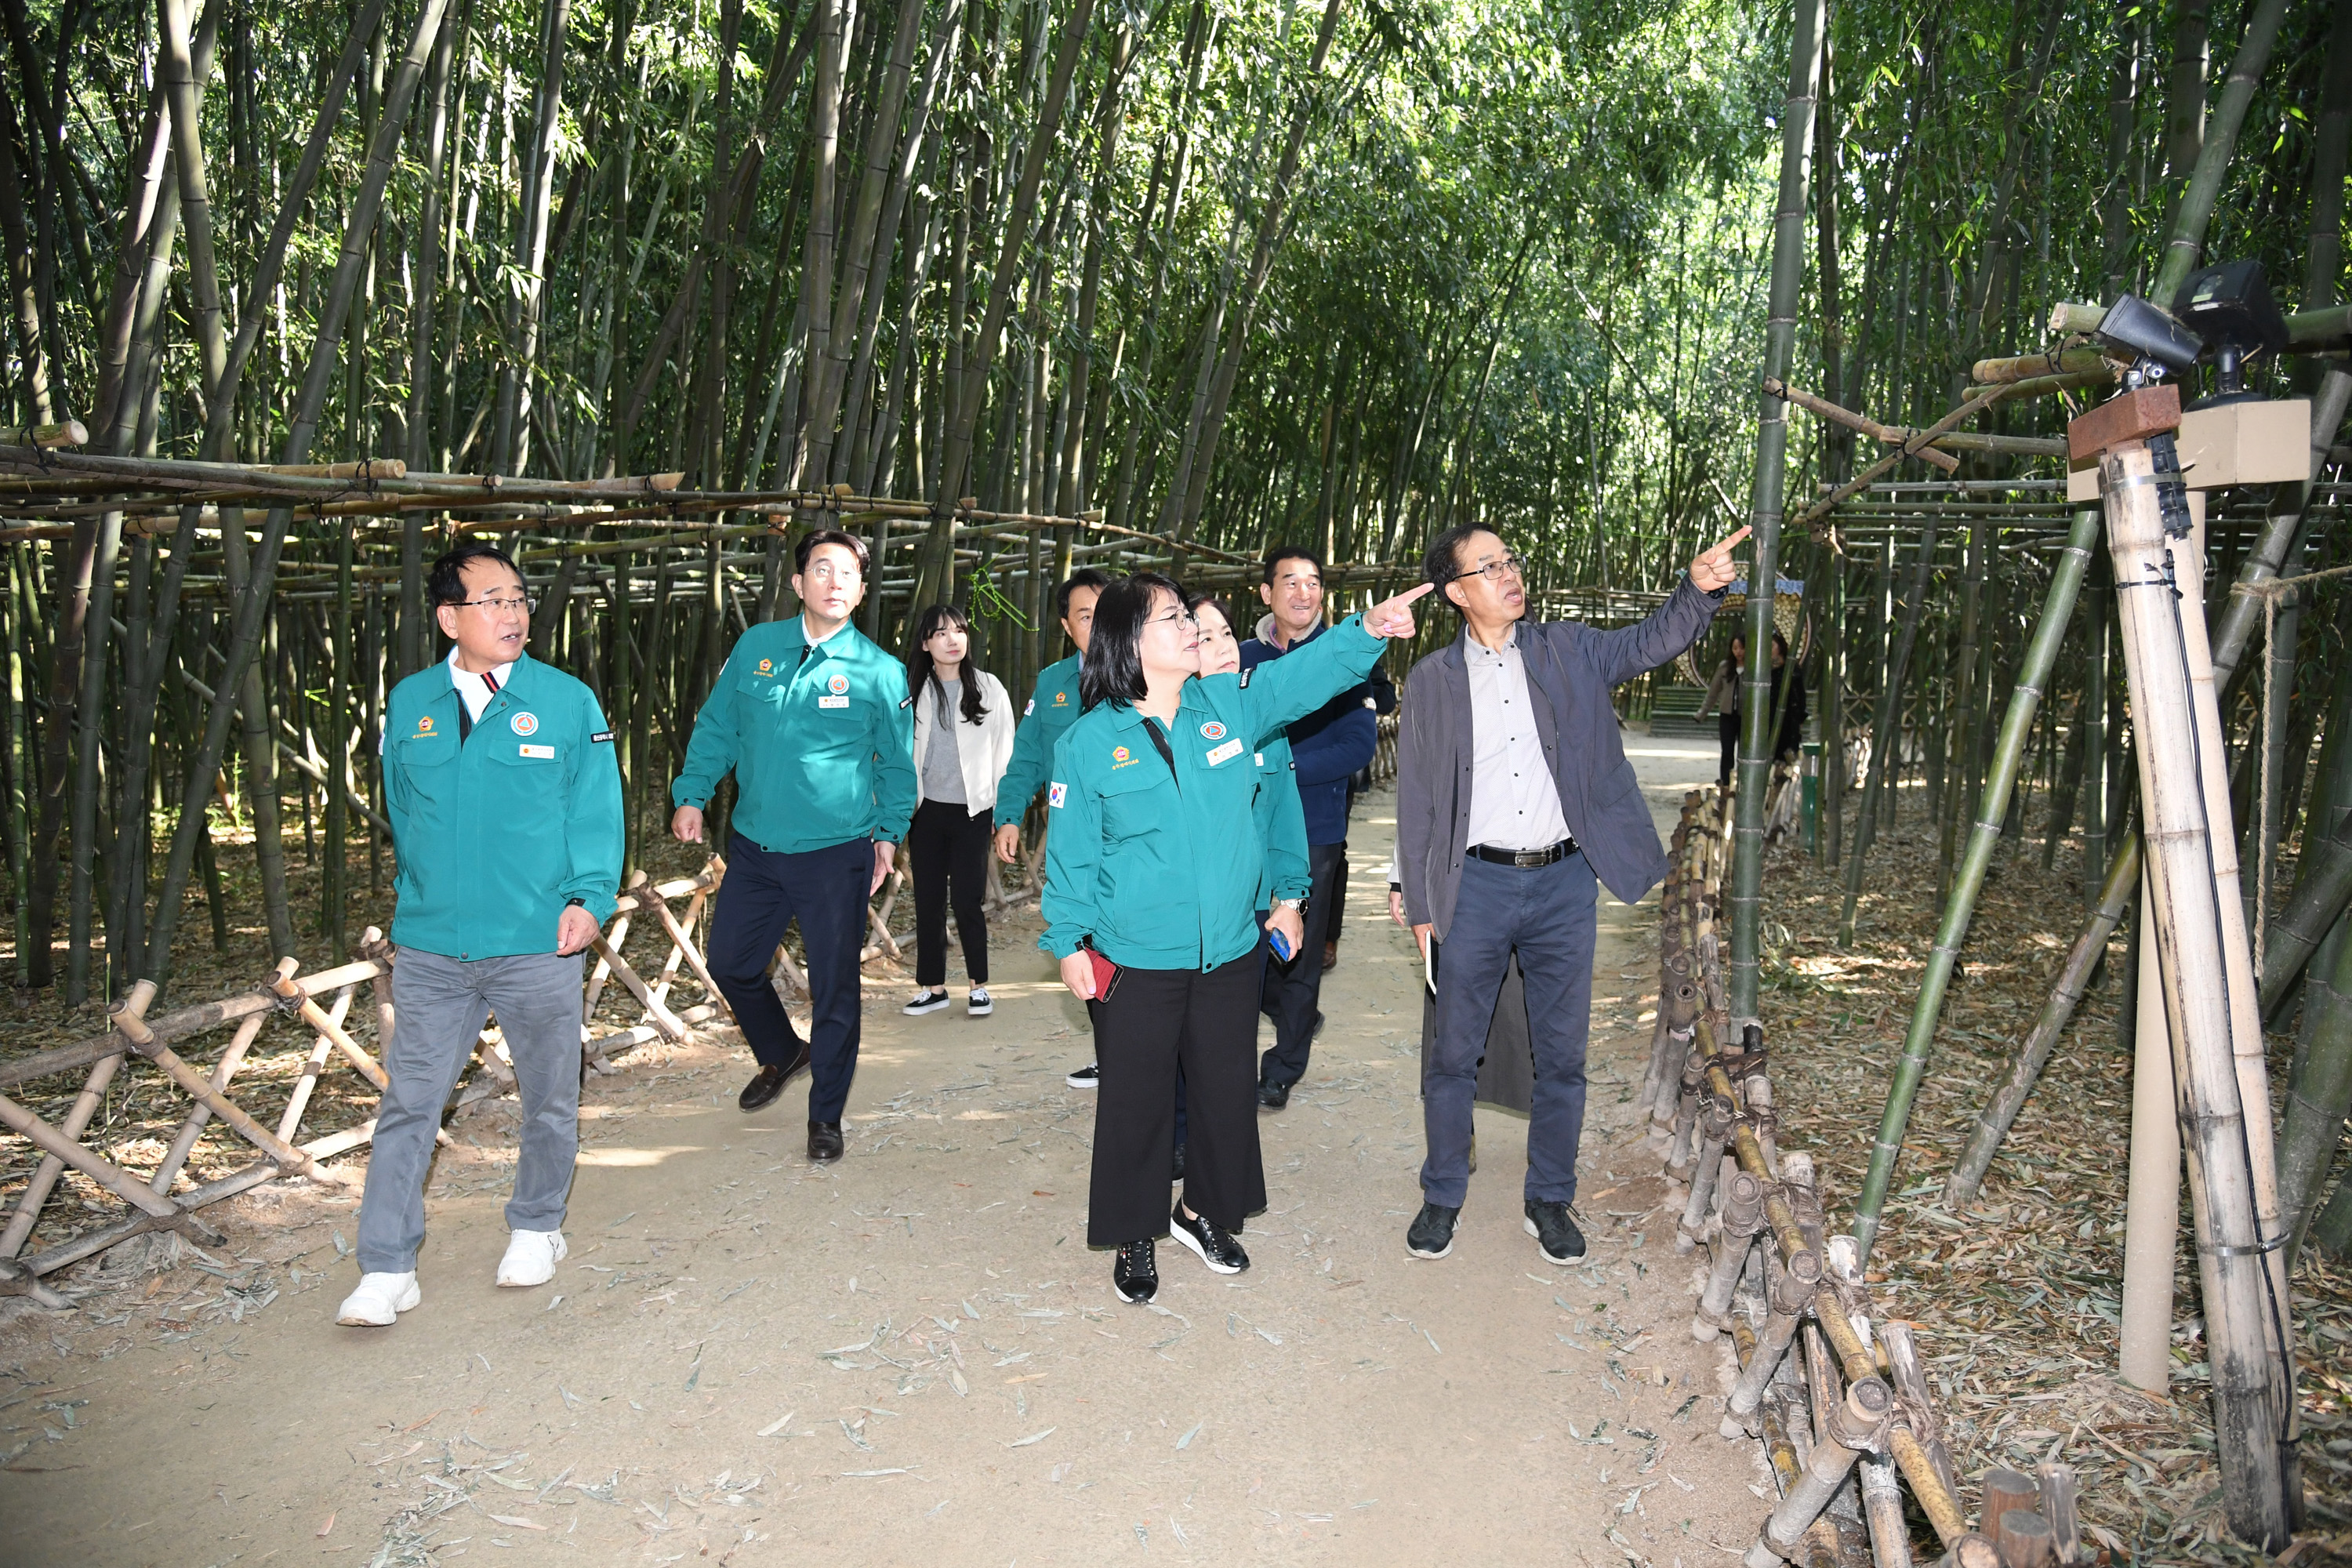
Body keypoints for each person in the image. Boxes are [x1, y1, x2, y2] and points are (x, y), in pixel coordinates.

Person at [1044, 572, 1432, 1305]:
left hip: (1227, 949)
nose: (1191, 627)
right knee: (1136, 1100)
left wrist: (1366, 630)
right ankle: (1134, 1232)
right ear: (1130, 640)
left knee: (1225, 1093)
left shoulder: (1228, 704)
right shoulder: (1087, 744)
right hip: (1136, 956)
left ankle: (1203, 1213)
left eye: (1187, 616)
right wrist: (1066, 942)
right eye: (1172, 618)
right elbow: (1071, 855)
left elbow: (1304, 679)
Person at [1390, 524, 1747, 1267]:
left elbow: (1649, 642)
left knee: (1561, 1053)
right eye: (1488, 567)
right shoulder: (1432, 680)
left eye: (1510, 560)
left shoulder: (1567, 649)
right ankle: (1442, 1194)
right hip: (1475, 883)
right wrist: (1417, 899)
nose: (1508, 574)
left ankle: (1549, 1197)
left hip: (1562, 881)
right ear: (1456, 592)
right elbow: (1418, 795)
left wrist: (1697, 592)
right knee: (1453, 1052)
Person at [338, 542, 622, 1327]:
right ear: (448, 618)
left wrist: (589, 896)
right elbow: (404, 811)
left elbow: (596, 810)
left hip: (538, 938)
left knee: (549, 1095)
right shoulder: (411, 701)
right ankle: (387, 1266)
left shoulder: (566, 700)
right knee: (409, 1105)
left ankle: (537, 1224)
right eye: (492, 600)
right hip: (434, 946)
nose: (513, 613)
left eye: (519, 599)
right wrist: (422, 898)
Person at [671, 529, 915, 1163]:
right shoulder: (757, 647)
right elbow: (719, 726)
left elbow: (896, 766)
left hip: (835, 853)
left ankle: (825, 1116)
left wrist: (888, 836)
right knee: (731, 963)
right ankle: (783, 1051)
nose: (835, 582)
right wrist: (692, 793)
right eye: (822, 569)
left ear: (862, 590)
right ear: (797, 581)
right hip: (756, 845)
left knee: (834, 988)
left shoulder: (880, 671)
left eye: (848, 573)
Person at [1240, 546, 1378, 1109]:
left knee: (1297, 951)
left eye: (1313, 582)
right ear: (1266, 592)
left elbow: (1358, 746)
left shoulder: (1344, 656)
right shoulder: (1239, 656)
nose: (1304, 592)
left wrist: (1279, 768)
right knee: (1244, 946)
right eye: (1290, 581)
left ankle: (1282, 1067)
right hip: (1244, 827)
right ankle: (1280, 1020)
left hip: (1313, 827)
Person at [1179, 592, 1310, 1180]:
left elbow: (1284, 819)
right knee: (1173, 1040)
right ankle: (1176, 1135)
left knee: (1228, 1044)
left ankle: (1218, 1161)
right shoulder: (1162, 724)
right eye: (1204, 637)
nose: (1223, 646)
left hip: (1248, 912)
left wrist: (1291, 898)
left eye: (1227, 633)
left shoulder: (1263, 721)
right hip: (1178, 914)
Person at [993, 568, 1113, 1088]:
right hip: (1073, 844)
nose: (1099, 625)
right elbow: (1026, 756)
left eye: (1108, 614)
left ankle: (1138, 1056)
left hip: (1135, 841)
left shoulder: (1148, 675)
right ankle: (1115, 1053)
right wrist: (1009, 814)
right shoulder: (1052, 683)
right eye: (1086, 616)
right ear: (1067, 626)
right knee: (1085, 947)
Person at [902, 604, 1016, 1018]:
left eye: (959, 631)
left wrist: (1003, 811)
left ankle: (978, 986)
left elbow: (1005, 752)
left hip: (974, 810)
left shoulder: (989, 687)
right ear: (925, 644)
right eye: (941, 633)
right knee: (928, 900)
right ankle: (933, 988)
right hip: (926, 810)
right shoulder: (911, 690)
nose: (952, 640)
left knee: (968, 900)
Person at [1699, 635, 1745, 788]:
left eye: (1742, 648)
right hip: (1727, 716)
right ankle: (1725, 785)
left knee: (1745, 754)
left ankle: (1743, 784)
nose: (1738, 652)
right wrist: (1702, 713)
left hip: (1746, 717)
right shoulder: (1725, 667)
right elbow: (1713, 692)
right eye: (1735, 648)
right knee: (1727, 751)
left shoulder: (1754, 666)